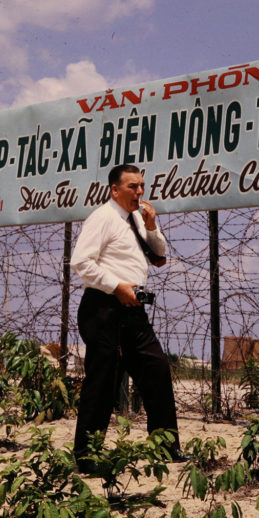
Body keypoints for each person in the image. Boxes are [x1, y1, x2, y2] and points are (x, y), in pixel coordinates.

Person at [70, 163, 184, 473]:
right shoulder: (102, 218)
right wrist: (116, 286)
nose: (140, 192)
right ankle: (87, 455)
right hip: (103, 307)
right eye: (133, 186)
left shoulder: (136, 218)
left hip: (133, 309)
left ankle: (166, 446)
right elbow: (80, 262)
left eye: (142, 186)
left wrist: (150, 225)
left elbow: (159, 255)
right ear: (115, 190)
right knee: (104, 380)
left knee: (156, 369)